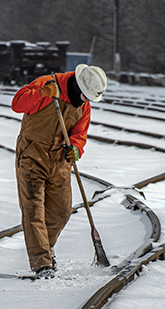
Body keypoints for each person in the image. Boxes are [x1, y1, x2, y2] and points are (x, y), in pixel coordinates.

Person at [11, 64, 108, 277]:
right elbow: (17, 104)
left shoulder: (84, 106)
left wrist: (76, 148)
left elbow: (80, 132)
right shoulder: (48, 84)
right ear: (77, 85)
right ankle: (41, 263)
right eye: (85, 96)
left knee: (61, 212)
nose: (86, 101)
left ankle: (47, 248)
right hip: (32, 155)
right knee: (33, 209)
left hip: (60, 160)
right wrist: (43, 93)